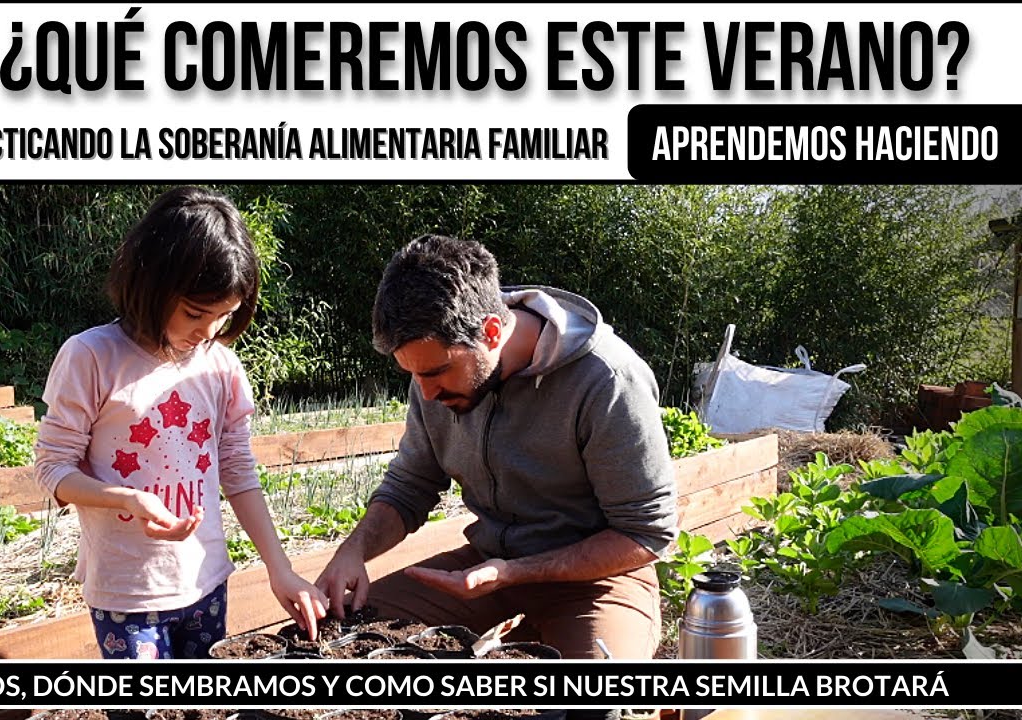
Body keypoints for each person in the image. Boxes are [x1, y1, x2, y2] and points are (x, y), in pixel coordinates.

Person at [315, 235, 677, 660]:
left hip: (598, 581)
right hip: (483, 569)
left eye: (436, 372)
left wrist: (515, 572)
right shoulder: (432, 375)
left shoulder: (607, 381)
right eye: (413, 375)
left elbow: (645, 533)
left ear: (491, 331)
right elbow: (410, 485)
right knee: (331, 640)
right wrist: (352, 551)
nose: (426, 393)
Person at [35, 186, 327, 660]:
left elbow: (237, 470)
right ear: (151, 283)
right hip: (128, 590)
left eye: (225, 315)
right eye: (195, 313)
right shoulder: (91, 357)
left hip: (206, 580)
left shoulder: (220, 368)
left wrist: (281, 569)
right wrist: (129, 498)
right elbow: (53, 469)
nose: (208, 330)